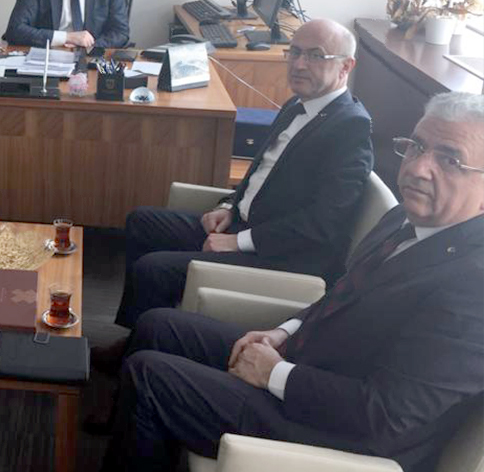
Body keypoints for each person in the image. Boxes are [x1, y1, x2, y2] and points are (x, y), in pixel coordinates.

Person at [99, 91, 484, 472]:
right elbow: (342, 293)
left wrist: (276, 374)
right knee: (159, 326)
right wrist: (282, 332)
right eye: (417, 146)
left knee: (150, 378)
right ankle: (126, 430)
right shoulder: (403, 220)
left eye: (450, 160)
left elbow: (386, 414)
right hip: (310, 362)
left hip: (337, 435)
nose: (418, 168)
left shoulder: (473, 284)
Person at [95, 18, 373, 370]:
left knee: (154, 269)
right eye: (295, 52)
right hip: (243, 222)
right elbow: (259, 172)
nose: (300, 64)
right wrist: (229, 204)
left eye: (315, 55)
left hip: (282, 254)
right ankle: (135, 337)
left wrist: (238, 242)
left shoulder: (350, 127)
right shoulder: (298, 104)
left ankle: (137, 353)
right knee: (142, 221)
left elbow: (323, 224)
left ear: (346, 66)